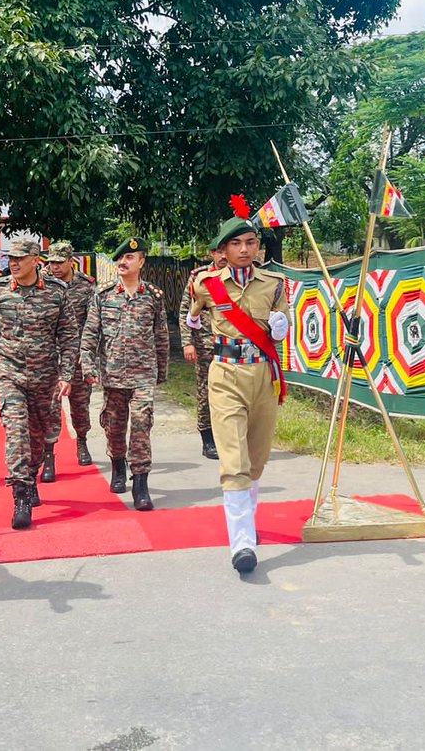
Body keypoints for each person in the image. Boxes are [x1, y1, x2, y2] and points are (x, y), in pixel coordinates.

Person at [187, 198, 289, 575]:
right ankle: (242, 542)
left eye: (250, 243)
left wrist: (281, 326)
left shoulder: (275, 285)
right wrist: (193, 322)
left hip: (262, 374)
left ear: (258, 248)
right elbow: (194, 317)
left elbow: (283, 326)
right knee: (234, 462)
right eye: (236, 244)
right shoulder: (206, 283)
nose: (244, 250)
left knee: (257, 459)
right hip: (226, 373)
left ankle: (248, 523)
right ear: (223, 251)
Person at [0, 238, 78, 529]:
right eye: (11, 258)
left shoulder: (57, 293)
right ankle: (20, 494)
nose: (14, 263)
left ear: (37, 260)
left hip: (45, 375)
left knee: (38, 436)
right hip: (9, 373)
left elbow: (69, 336)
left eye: (21, 258)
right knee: (17, 432)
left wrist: (66, 374)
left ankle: (31, 476)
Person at [80, 237, 169, 510]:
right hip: (112, 374)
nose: (123, 262)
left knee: (142, 424)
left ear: (141, 262)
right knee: (114, 425)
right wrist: (87, 365)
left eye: (130, 258)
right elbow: (90, 333)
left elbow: (161, 336)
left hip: (143, 374)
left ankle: (140, 483)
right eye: (120, 258)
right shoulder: (103, 295)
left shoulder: (153, 297)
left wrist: (161, 371)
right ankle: (118, 465)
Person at [43, 240, 98, 472]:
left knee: (80, 404)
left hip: (77, 356)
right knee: (49, 406)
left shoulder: (86, 286)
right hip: (50, 356)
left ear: (70, 261)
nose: (54, 267)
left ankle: (82, 441)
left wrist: (85, 353)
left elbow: (93, 321)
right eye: (51, 262)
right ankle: (48, 454)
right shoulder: (43, 284)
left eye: (59, 262)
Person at [178, 245, 228, 460]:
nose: (223, 256)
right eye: (219, 252)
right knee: (206, 392)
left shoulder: (241, 277)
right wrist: (187, 343)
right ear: (212, 254)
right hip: (206, 346)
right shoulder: (200, 278)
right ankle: (207, 439)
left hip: (234, 346)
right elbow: (184, 312)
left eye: (227, 251)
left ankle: (228, 437)